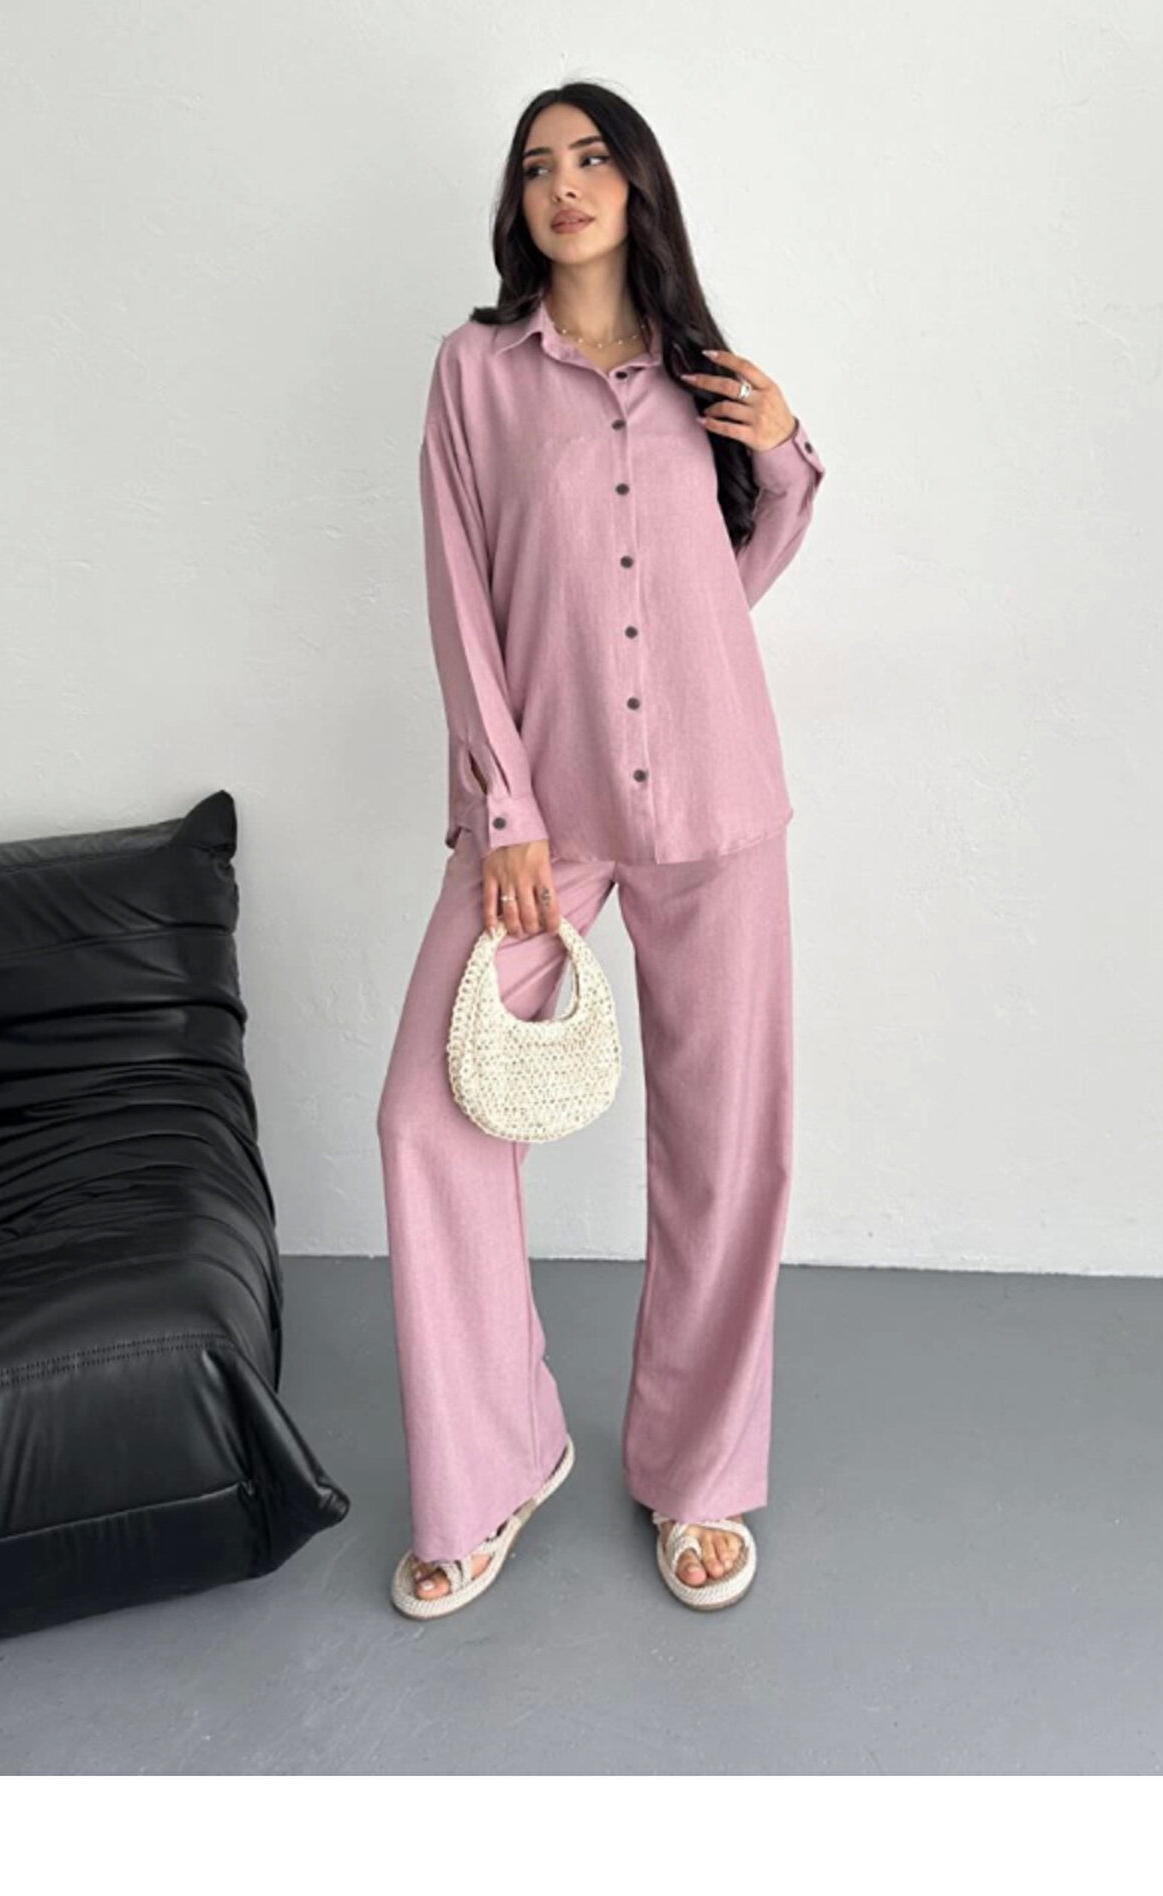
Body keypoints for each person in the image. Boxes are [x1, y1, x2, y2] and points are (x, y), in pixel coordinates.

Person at [376, 81, 825, 1616]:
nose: (564, 183)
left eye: (591, 158)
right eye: (536, 165)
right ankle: (493, 1463)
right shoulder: (475, 375)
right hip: (543, 818)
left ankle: (700, 1476)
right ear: (517, 206)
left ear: (638, 185)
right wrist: (502, 810)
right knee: (428, 1117)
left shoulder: (706, 377)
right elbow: (460, 597)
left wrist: (793, 452)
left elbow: (725, 581)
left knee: (726, 1143)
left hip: (716, 797)